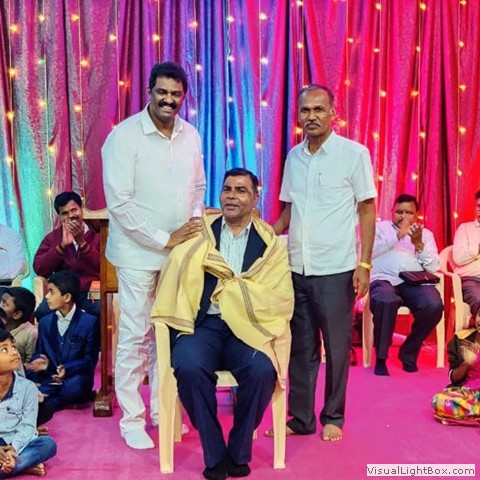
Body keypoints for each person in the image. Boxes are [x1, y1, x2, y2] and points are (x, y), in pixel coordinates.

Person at [152, 168, 293, 480]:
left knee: (262, 370)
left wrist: (236, 291)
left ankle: (239, 450)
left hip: (248, 327)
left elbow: (279, 296)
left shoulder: (269, 244)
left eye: (241, 190)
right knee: (188, 366)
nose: (232, 196)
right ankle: (215, 452)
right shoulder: (199, 235)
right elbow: (175, 278)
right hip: (204, 325)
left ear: (255, 199)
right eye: (227, 189)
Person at [102, 61, 206, 449]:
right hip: (136, 254)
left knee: (171, 333)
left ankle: (164, 411)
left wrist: (193, 226)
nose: (168, 100)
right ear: (149, 91)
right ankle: (132, 419)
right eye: (162, 92)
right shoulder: (124, 137)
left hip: (178, 255)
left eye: (176, 94)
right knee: (135, 333)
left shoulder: (190, 135)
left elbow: (199, 187)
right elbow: (120, 203)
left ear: (184, 97)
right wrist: (165, 238)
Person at [270, 84, 376, 442]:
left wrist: (364, 265)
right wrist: (265, 235)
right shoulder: (294, 158)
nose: (311, 116)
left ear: (333, 113)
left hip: (336, 270)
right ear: (298, 115)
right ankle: (301, 418)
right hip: (296, 269)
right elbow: (288, 212)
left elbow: (367, 209)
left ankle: (333, 416)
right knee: (301, 348)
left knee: (336, 347)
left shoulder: (353, 154)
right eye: (305, 110)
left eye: (319, 109)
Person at [369, 194, 443, 376]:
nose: (403, 216)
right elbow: (368, 251)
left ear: (416, 214)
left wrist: (419, 244)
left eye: (408, 213)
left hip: (413, 281)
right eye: (399, 212)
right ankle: (381, 358)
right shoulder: (380, 229)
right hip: (383, 279)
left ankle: (408, 352)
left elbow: (434, 267)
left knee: (434, 305)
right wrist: (398, 235)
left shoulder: (425, 234)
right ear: (392, 211)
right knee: (385, 300)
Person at [25, 271, 99, 412]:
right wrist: (40, 363)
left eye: (51, 292)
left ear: (67, 297)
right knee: (27, 380)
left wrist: (67, 369)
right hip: (50, 376)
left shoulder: (89, 322)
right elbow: (40, 352)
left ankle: (48, 403)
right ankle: (48, 398)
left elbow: (89, 360)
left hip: (75, 377)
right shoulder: (45, 322)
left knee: (74, 387)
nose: (47, 296)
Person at [33, 191, 100, 320]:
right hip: (62, 292)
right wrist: (62, 246)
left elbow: (103, 267)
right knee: (42, 313)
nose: (71, 216)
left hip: (90, 292)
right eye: (65, 213)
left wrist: (82, 243)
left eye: (74, 210)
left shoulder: (97, 235)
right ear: (60, 217)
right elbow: (39, 268)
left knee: (100, 311)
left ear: (81, 209)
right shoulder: (52, 238)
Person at [0, 330, 57, 478]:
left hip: (16, 442)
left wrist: (13, 449)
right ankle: (22, 465)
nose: (14, 352)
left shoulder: (28, 387)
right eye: (4, 350)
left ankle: (13, 464)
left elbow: (28, 426)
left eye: (13, 347)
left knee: (48, 444)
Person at [432, 305, 480, 426]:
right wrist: (468, 363)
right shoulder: (461, 339)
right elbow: (453, 378)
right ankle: (474, 415)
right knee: (439, 400)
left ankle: (469, 416)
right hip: (468, 393)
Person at [452, 189, 480, 319]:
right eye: (479, 206)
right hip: (471, 280)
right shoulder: (465, 229)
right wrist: (477, 249)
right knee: (478, 299)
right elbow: (458, 258)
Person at [0, 287, 37, 365]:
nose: (0, 306)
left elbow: (31, 363)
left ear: (17, 314)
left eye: (4, 304)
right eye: (1, 301)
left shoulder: (31, 333)